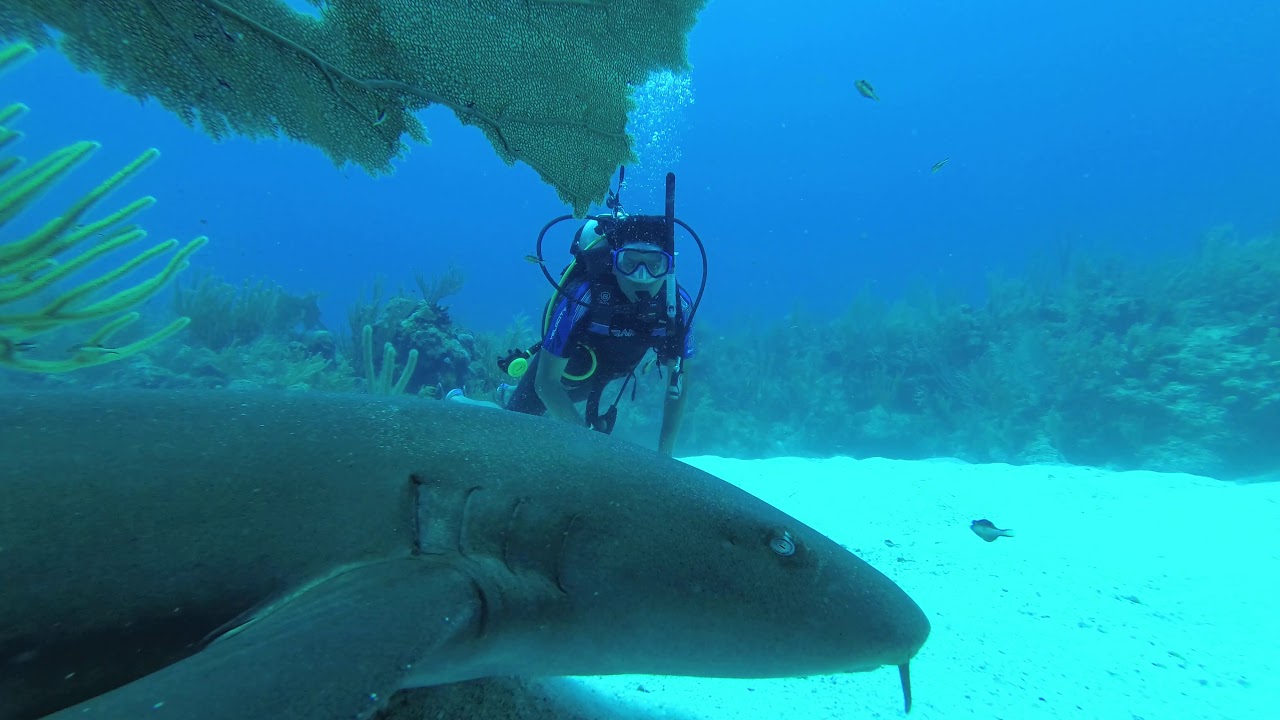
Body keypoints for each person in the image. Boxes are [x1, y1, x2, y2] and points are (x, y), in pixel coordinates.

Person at [448, 213, 700, 457]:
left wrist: (664, 458)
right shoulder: (584, 298)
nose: (642, 278)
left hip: (600, 378)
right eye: (629, 263)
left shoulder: (678, 308)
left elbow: (678, 387)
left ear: (670, 267)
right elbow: (546, 383)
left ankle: (508, 393)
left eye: (656, 265)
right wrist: (586, 447)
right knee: (512, 427)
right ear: (614, 263)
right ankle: (459, 403)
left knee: (557, 409)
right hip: (561, 374)